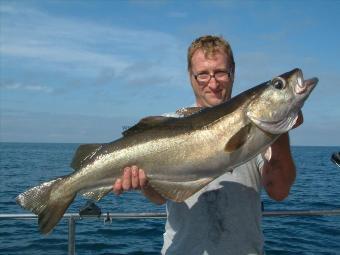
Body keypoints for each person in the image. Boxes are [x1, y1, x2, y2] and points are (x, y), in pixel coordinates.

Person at [113, 35, 301, 254]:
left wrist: (280, 129)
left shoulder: (259, 127)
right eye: (203, 74)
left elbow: (279, 191)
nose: (213, 83)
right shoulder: (168, 125)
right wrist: (143, 184)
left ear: (233, 72)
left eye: (220, 72)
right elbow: (159, 198)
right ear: (190, 76)